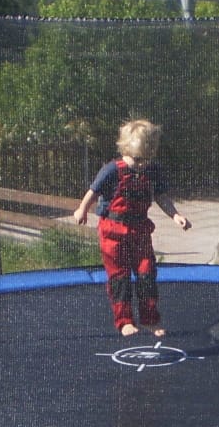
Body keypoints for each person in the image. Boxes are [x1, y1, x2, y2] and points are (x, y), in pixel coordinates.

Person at [73, 119, 191, 336]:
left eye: (145, 160)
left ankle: (150, 318)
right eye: (137, 160)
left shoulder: (152, 171)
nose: (140, 165)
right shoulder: (112, 170)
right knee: (120, 276)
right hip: (113, 230)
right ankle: (124, 320)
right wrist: (82, 209)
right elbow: (93, 191)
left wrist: (176, 215)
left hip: (139, 230)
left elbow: (161, 197)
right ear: (126, 149)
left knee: (147, 272)